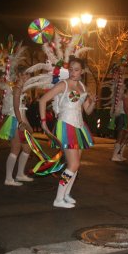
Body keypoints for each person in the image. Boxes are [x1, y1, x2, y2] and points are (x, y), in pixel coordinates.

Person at [38, 56, 96, 208]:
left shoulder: (83, 87)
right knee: (73, 164)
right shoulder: (63, 84)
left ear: (82, 71)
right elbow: (43, 100)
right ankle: (58, 199)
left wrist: (94, 101)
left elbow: (88, 111)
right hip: (66, 125)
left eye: (76, 70)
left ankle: (66, 194)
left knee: (76, 165)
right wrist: (43, 123)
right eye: (71, 69)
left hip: (79, 126)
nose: (73, 72)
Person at [0, 67, 34, 186]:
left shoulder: (23, 89)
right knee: (15, 149)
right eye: (25, 74)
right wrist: (21, 123)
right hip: (15, 121)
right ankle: (8, 178)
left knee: (27, 149)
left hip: (21, 120)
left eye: (28, 74)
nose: (27, 76)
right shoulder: (17, 89)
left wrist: (27, 124)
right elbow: (16, 108)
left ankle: (20, 174)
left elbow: (23, 110)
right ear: (19, 75)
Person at [110, 81, 128, 161]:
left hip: (125, 117)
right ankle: (115, 155)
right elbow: (125, 109)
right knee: (121, 136)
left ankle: (120, 154)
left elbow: (127, 108)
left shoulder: (126, 97)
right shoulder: (125, 97)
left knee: (126, 136)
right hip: (123, 117)